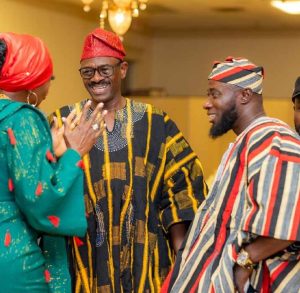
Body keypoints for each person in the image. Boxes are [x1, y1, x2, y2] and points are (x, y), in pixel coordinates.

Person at [51, 28, 208, 292]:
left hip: (146, 263)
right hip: (82, 261)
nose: (96, 78)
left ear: (122, 69)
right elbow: (44, 188)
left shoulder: (156, 123)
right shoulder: (64, 120)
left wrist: (183, 263)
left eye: (105, 70)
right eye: (87, 72)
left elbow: (184, 189)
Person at [162, 57, 300, 293]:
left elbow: (288, 224)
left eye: (215, 94)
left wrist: (244, 261)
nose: (206, 103)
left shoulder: (273, 139)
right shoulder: (247, 141)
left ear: (245, 95)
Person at [0, 32, 106, 292]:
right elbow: (41, 200)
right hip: (12, 258)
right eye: (49, 78)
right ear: (32, 82)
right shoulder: (23, 118)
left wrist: (54, 155)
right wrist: (74, 153)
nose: (48, 87)